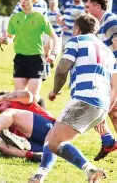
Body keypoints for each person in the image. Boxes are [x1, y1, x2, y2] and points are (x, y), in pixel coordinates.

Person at [29, 13, 117, 183]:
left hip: (84, 99)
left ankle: (90, 170)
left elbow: (62, 69)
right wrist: (105, 109)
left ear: (77, 29)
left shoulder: (76, 41)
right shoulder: (109, 52)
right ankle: (40, 176)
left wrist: (54, 91)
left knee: (54, 142)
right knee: (53, 138)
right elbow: (115, 86)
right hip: (101, 104)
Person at [0, 0, 59, 109]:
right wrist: (5, 41)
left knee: (33, 97)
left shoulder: (40, 18)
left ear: (33, 0)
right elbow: (10, 38)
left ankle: (43, 121)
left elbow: (55, 37)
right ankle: (19, 127)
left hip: (36, 59)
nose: (23, 1)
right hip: (20, 59)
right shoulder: (15, 18)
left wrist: (53, 54)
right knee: (20, 97)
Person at [0, 90, 55, 162]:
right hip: (44, 146)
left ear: (9, 100)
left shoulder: (20, 103)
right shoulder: (6, 122)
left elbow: (28, 94)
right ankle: (33, 155)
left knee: (10, 112)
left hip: (52, 131)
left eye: (0, 105)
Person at [82, 0, 117, 161]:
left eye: (87, 6)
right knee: (106, 109)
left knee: (102, 108)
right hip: (107, 72)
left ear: (97, 6)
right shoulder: (97, 23)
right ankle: (108, 141)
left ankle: (108, 140)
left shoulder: (110, 20)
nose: (85, 9)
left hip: (114, 73)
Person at [45, 0, 62, 75]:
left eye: (54, 3)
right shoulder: (46, 13)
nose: (52, 5)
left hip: (58, 35)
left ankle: (52, 61)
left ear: (57, 3)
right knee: (47, 50)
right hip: (49, 35)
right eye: (51, 3)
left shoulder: (60, 12)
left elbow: (63, 23)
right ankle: (47, 68)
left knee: (56, 53)